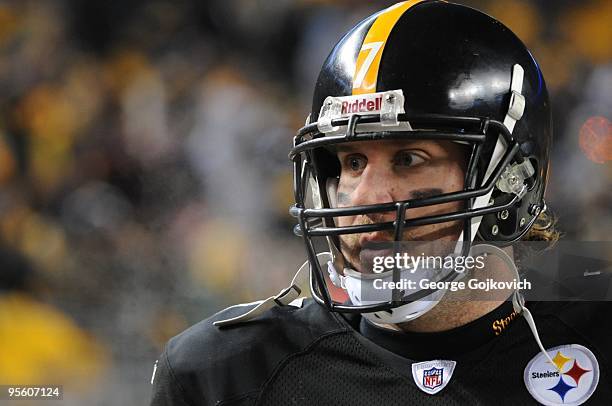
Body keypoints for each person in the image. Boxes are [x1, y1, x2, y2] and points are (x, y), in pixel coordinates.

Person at [150, 1, 610, 404]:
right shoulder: (223, 372)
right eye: (352, 162)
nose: (365, 197)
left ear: (511, 181)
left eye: (409, 158)